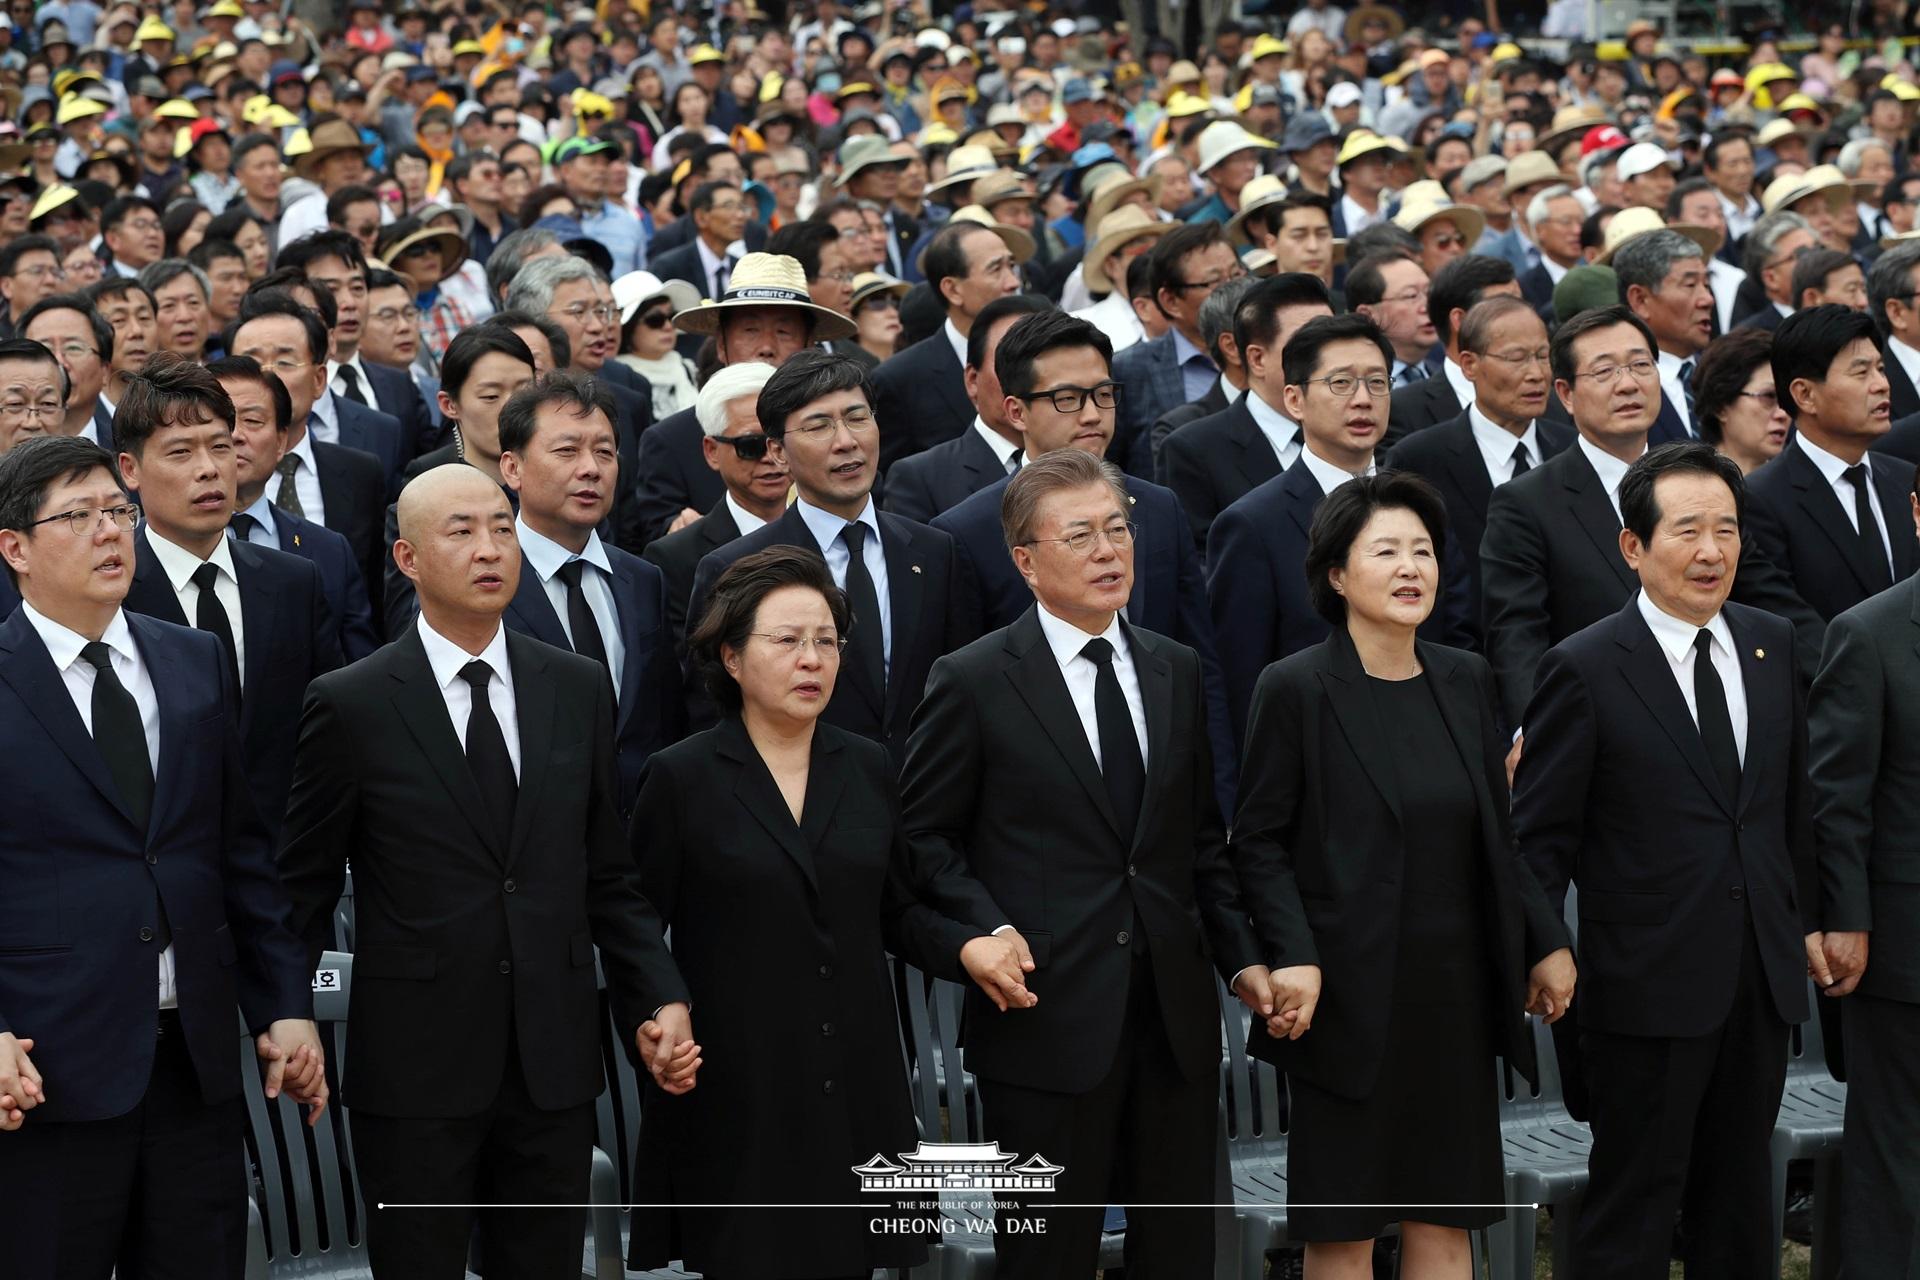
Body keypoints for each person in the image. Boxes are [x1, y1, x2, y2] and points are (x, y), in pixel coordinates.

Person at [276, 463, 697, 1278]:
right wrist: (287, 1014)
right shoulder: (352, 702)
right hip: (415, 1062)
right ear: (406, 559)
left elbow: (608, 871)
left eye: (501, 529)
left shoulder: (573, 686)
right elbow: (305, 883)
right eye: (460, 532)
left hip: (554, 1051)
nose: (489, 549)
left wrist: (659, 993)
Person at [898, 446, 1283, 1279]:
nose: (1110, 551)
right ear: (1027, 562)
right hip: (1045, 1008)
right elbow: (922, 839)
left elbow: (1195, 846)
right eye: (1082, 536)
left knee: (1182, 1251)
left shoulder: (1173, 667)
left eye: (1118, 530)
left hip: (1172, 1011)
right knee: (1050, 1258)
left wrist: (1244, 959)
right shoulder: (973, 680)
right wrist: (987, 928)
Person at [0, 433, 326, 1277]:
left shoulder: (191, 659)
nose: (112, 532)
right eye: (78, 516)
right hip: (46, 1067)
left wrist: (283, 1004)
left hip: (196, 1060)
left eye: (119, 510)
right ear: (15, 549)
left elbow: (240, 854)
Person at [1234, 471, 1574, 1270]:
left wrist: (1543, 938)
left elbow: (1498, 835)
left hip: (1452, 996)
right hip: (1345, 998)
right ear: (1338, 575)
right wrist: (1293, 956)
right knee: (1345, 1232)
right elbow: (1256, 842)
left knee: (1444, 1222)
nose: (1410, 567)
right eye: (1385, 551)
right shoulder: (1295, 690)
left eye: (1423, 550)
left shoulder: (1463, 678)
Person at [1513, 441, 1823, 1277]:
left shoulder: (1771, 643)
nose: (1712, 551)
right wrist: (1544, 947)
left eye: (1728, 529)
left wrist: (1817, 921)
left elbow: (1791, 808)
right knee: (1635, 1208)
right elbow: (1537, 838)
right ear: (1634, 547)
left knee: (1739, 1205)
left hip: (1757, 980)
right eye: (1688, 531)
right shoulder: (1582, 667)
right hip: (1643, 985)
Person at [627, 545, 977, 1278]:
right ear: (730, 657)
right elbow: (632, 918)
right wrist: (661, 1008)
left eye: (826, 641)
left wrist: (969, 949)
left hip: (855, 1073)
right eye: (786, 641)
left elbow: (898, 908)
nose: (811, 659)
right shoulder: (682, 777)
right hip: (739, 1080)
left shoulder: (869, 766)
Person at [931, 309, 1238, 806]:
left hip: (1164, 797)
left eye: (1102, 394)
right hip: (1039, 808)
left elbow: (1201, 663)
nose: (1092, 414)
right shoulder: (963, 531)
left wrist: (1223, 801)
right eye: (1066, 399)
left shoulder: (1158, 509)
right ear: (1015, 411)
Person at [1481, 306, 1824, 733]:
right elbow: (1517, 634)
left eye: (1641, 365)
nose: (1628, 384)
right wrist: (1534, 729)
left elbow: (1768, 594)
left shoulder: (1703, 482)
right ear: (1566, 394)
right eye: (1604, 372)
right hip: (1600, 723)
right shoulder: (1525, 502)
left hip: (1714, 707)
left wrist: (1847, 670)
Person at [113, 351, 341, 841]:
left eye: (221, 446)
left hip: (288, 877)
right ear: (130, 469)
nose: (210, 469)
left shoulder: (295, 582)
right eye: (180, 453)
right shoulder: (111, 596)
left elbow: (328, 737)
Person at [687, 350, 959, 759]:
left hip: (925, 798)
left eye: (857, 417)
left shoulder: (935, 550)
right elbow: (710, 713)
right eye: (819, 426)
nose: (846, 441)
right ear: (777, 452)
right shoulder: (734, 567)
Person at [1806, 464, 1920, 1274]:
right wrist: (1845, 918)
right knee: (1896, 1154)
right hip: (1907, 947)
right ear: (1917, 509)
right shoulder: (1869, 632)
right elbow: (1836, 797)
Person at [497, 370, 680, 815]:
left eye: (605, 452)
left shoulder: (642, 578)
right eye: (567, 451)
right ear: (513, 468)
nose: (590, 468)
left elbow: (664, 720)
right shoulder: (487, 585)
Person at [1208, 313, 1392, 746]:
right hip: (1314, 755)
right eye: (1341, 383)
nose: (1363, 399)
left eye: (1378, 383)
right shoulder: (1252, 524)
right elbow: (1242, 680)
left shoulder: (1417, 503)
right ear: (1295, 400)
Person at [627, 252, 856, 548]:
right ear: (721, 345)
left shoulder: (841, 433)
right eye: (750, 330)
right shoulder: (670, 441)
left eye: (784, 331)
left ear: (809, 345)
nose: (766, 347)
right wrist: (680, 528)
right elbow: (655, 540)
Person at [1388, 296, 1576, 652]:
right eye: (1517, 358)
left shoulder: (1570, 447)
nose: (1536, 373)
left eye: (1542, 355)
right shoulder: (1420, 459)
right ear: (1469, 364)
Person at [1745, 305, 1919, 626]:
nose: (1881, 384)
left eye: (1881, 369)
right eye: (1861, 372)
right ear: (1805, 394)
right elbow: (1787, 622)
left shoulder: (1905, 478)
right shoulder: (1760, 499)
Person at [214, 354, 380, 661]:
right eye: (222, 422)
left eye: (252, 421)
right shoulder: (156, 544)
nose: (236, 435)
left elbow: (357, 668)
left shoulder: (330, 551)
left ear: (281, 442)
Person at [1159, 273, 1335, 549]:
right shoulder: (1194, 450)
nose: (1327, 357)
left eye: (1333, 341)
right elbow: (1198, 567)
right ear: (1256, 358)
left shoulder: (1358, 428)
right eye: (1308, 343)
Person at [643, 363, 787, 656]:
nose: (770, 457)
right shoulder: (676, 557)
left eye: (781, 441)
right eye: (751, 445)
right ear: (711, 451)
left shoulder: (833, 533)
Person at [870, 219, 1023, 474]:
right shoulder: (900, 379)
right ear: (952, 289)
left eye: (1012, 266)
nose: (1012, 282)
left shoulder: (1043, 355)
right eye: (996, 269)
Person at [883, 293, 1047, 524]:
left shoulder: (1091, 461)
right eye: (1015, 360)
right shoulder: (921, 479)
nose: (1031, 378)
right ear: (972, 379)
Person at [1111, 221, 1247, 477]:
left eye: (1237, 274)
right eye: (1214, 282)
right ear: (1170, 301)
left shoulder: (1268, 354)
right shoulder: (1129, 370)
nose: (1235, 291)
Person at [1690, 328, 1790, 475]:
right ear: (1721, 407)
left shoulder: (1800, 486)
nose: (1783, 414)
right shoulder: (1690, 486)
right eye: (1768, 396)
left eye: (1787, 399)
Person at [20, 292, 115, 444]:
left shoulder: (128, 448)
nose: (59, 362)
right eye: (44, 349)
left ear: (104, 370)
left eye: (74, 348)